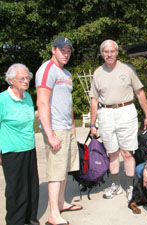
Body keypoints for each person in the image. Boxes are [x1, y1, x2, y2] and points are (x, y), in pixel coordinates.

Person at [89, 39, 147, 201]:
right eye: (106, 52)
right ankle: (115, 185)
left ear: (117, 52)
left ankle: (130, 187)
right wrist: (92, 124)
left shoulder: (127, 69)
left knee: (127, 153)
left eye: (112, 51)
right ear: (102, 53)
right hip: (106, 114)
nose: (109, 54)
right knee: (112, 153)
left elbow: (140, 93)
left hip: (126, 112)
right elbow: (94, 100)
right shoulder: (97, 73)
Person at [36, 37, 82, 225]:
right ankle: (53, 214)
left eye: (68, 50)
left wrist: (72, 126)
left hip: (66, 127)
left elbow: (67, 102)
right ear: (53, 50)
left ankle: (61, 203)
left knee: (64, 169)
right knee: (55, 171)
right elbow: (42, 102)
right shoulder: (47, 69)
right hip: (54, 127)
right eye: (62, 50)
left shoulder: (67, 73)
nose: (66, 53)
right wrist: (50, 134)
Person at [0, 63, 39, 225]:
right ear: (11, 81)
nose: (26, 81)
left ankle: (30, 220)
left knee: (31, 188)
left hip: (29, 148)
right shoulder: (2, 99)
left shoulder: (28, 97)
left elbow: (30, 117)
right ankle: (15, 221)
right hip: (11, 151)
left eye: (27, 77)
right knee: (16, 190)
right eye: (21, 78)